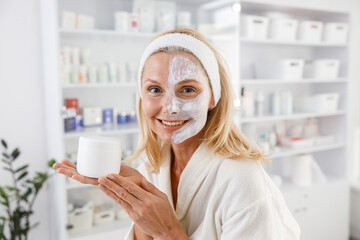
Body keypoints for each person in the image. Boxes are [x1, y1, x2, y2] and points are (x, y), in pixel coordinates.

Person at [53, 28, 301, 240]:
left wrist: (169, 232)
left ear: (212, 96)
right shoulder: (152, 164)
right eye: (154, 89)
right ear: (140, 96)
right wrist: (137, 207)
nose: (169, 107)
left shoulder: (243, 179)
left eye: (188, 90)